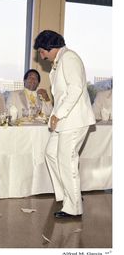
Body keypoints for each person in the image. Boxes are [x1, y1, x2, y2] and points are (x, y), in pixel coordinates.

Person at [34, 30, 95, 218]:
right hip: (64, 122)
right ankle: (70, 194)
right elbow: (61, 94)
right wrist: (56, 115)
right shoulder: (58, 62)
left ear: (51, 47)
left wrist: (58, 114)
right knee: (51, 154)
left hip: (74, 120)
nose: (41, 56)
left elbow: (76, 88)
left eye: (42, 51)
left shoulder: (69, 58)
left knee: (67, 161)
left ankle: (73, 207)